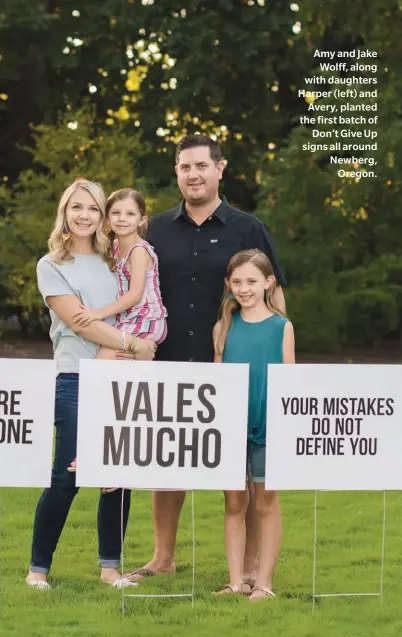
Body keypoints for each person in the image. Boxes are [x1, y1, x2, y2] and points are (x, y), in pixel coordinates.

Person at [129, 134, 286, 587]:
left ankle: (253, 567)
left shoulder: (248, 228)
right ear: (176, 173)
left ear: (220, 169)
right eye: (184, 167)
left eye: (201, 165)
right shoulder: (154, 229)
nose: (192, 174)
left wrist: (274, 354)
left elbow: (274, 295)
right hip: (168, 361)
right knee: (167, 463)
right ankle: (163, 558)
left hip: (232, 364)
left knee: (240, 474)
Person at [25, 178, 156, 591]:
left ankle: (111, 569)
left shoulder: (113, 260)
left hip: (120, 378)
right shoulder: (51, 265)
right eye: (76, 207)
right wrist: (132, 344)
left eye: (93, 209)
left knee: (117, 472)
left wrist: (131, 350)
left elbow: (135, 302)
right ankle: (37, 570)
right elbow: (78, 319)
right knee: (67, 475)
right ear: (64, 212)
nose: (84, 215)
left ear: (102, 216)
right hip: (76, 377)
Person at [212, 249, 295, 599]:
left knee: (265, 503)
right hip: (231, 429)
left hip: (268, 428)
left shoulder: (282, 327)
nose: (244, 288)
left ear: (268, 282)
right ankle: (236, 582)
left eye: (251, 281)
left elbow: (290, 382)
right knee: (234, 503)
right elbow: (215, 383)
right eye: (237, 282)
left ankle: (264, 583)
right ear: (229, 285)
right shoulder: (223, 327)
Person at [72, 187, 167, 350]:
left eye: (130, 214)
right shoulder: (115, 246)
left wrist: (98, 312)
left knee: (104, 358)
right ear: (107, 218)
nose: (122, 219)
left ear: (142, 219)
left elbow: (135, 295)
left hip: (146, 318)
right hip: (128, 317)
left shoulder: (138, 250)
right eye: (116, 213)